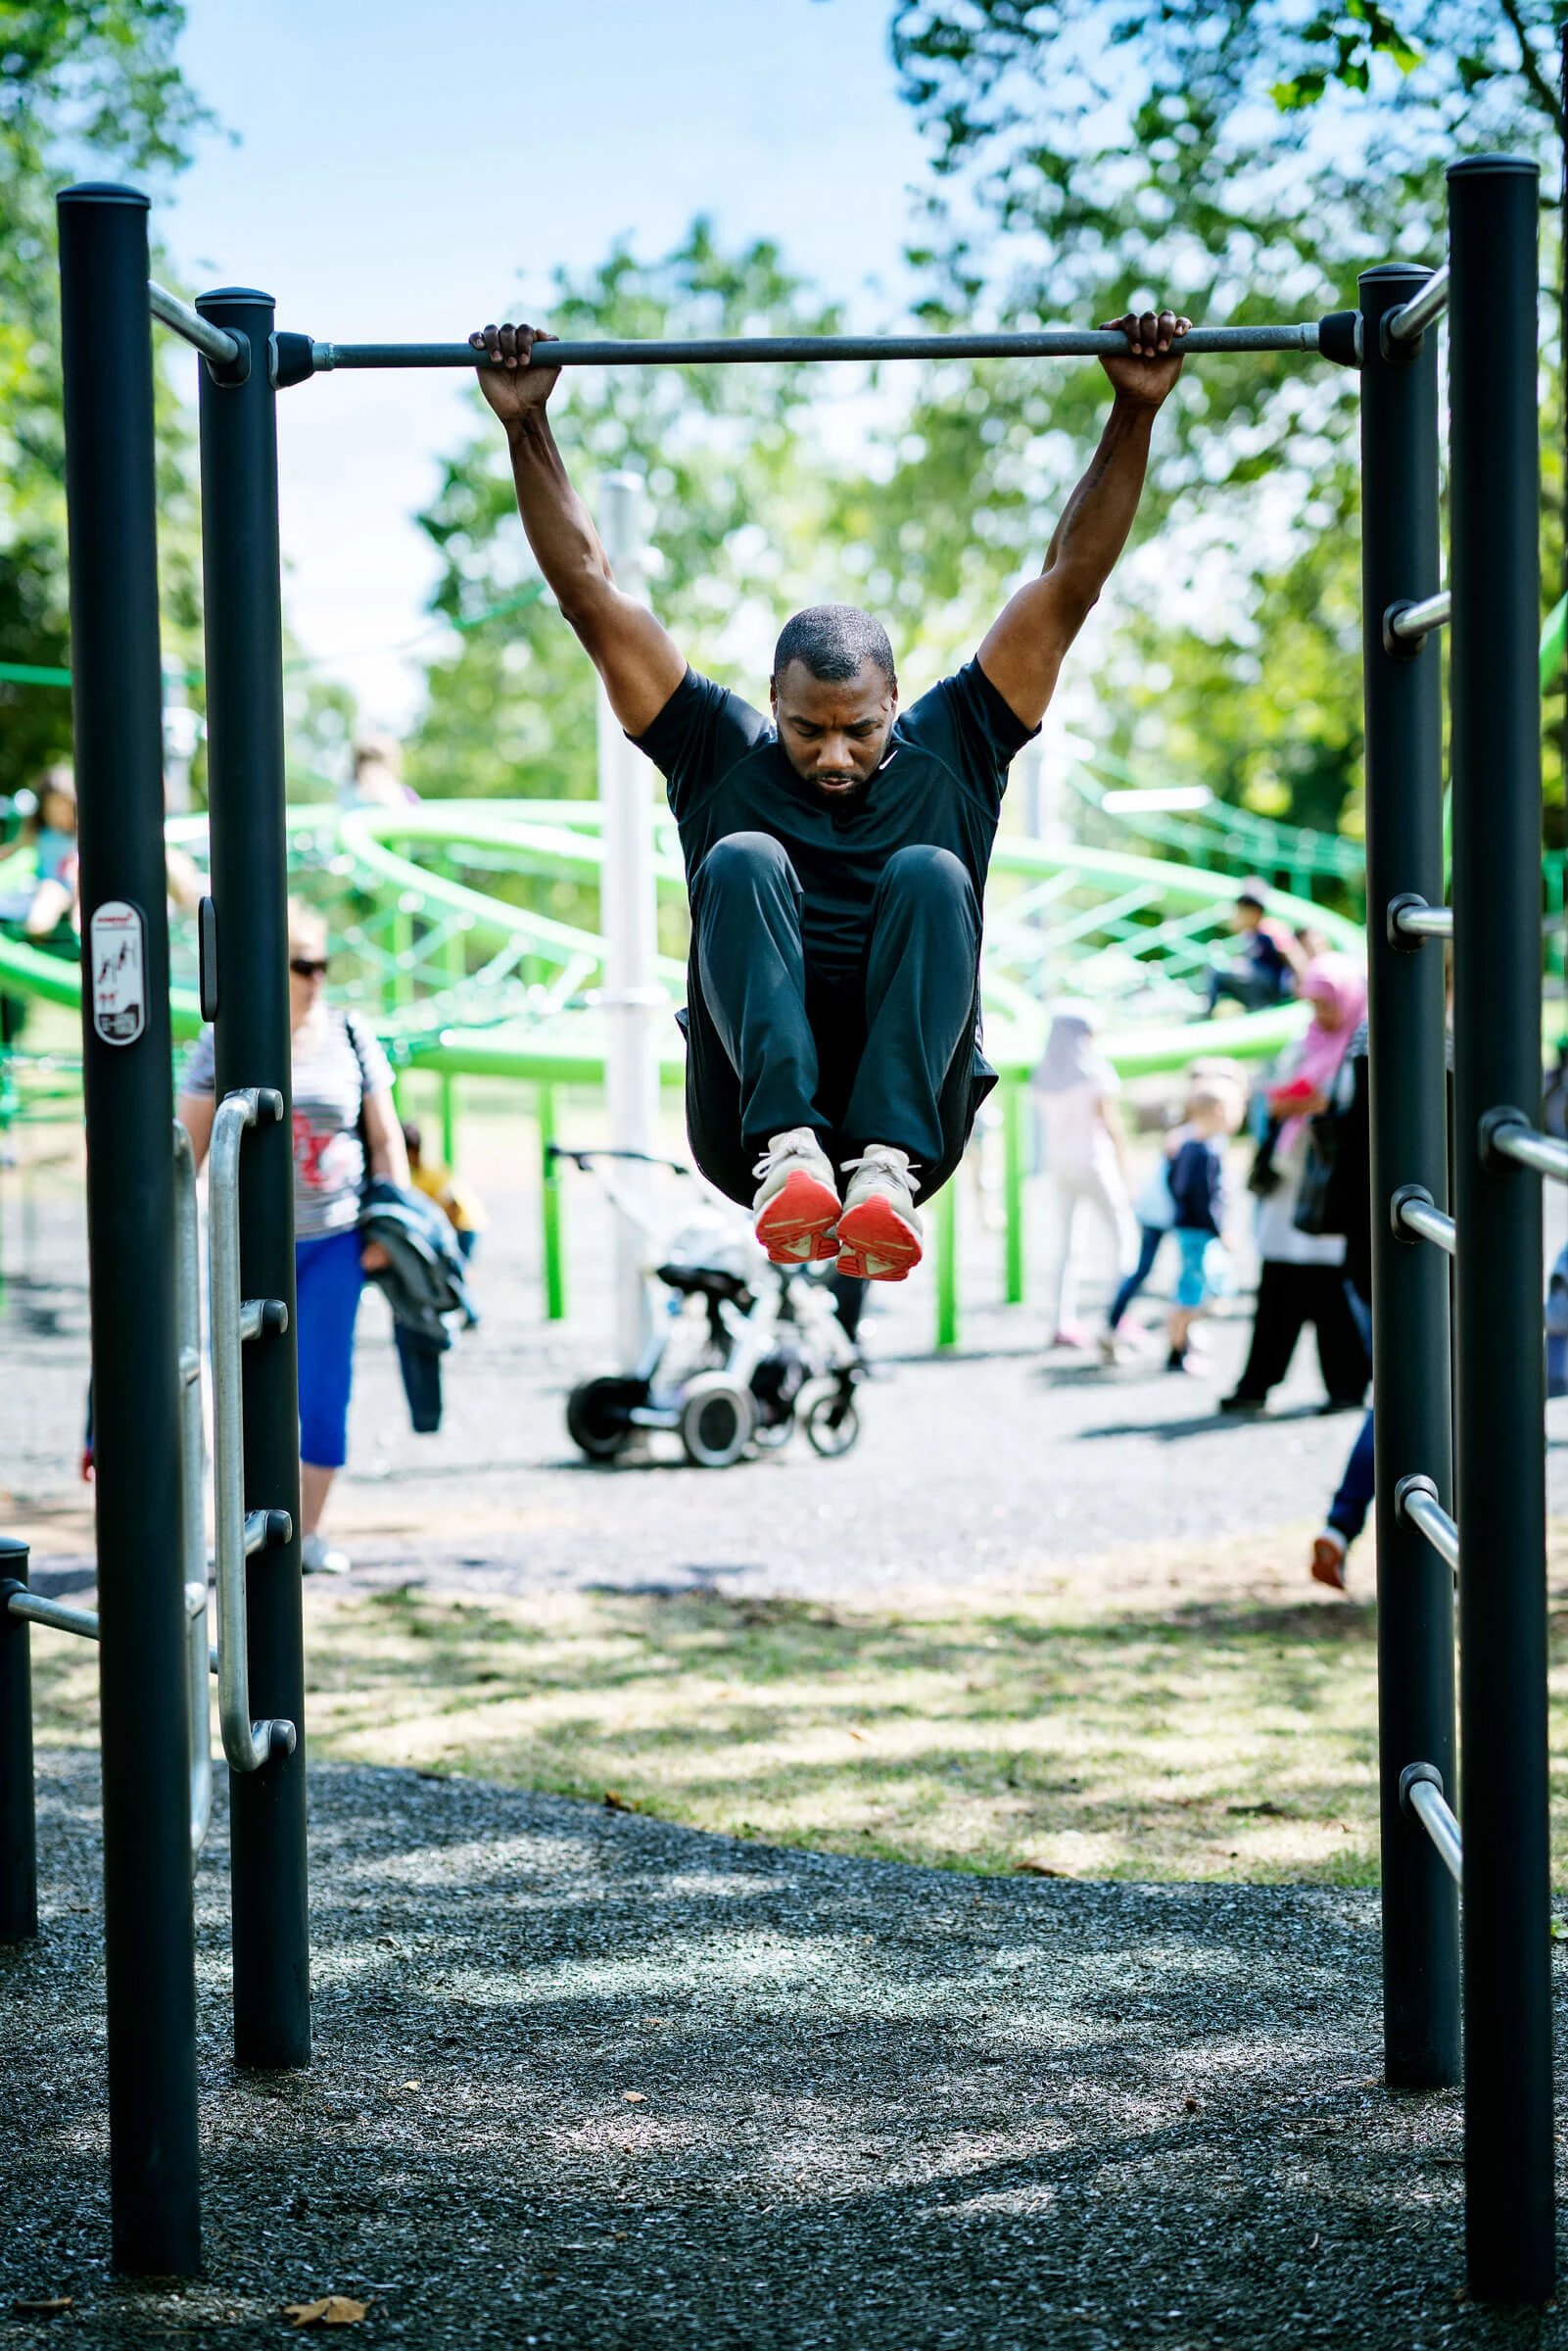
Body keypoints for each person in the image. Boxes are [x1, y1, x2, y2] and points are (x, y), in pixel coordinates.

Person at [468, 304, 1192, 1282]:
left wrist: (1133, 413)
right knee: (742, 856)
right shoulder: (718, 752)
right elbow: (590, 597)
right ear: (773, 704)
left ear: (897, 701)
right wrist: (526, 424)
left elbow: (1066, 586)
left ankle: (877, 1171)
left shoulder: (956, 744)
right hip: (748, 1124)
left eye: (861, 728)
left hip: (909, 1131)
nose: (837, 755)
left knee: (933, 874)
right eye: (808, 730)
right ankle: (793, 1152)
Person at [177, 901, 410, 1575]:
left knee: (324, 1391)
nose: (315, 979)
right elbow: (188, 1148)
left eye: (321, 965)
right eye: (301, 966)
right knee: (240, 1392)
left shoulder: (348, 1033)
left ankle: (305, 1534)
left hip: (336, 1240)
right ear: (265, 971)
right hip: (250, 1245)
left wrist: (386, 1230)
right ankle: (239, 1532)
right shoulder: (228, 1040)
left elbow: (384, 1136)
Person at [1221, 954, 1370, 1414]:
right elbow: (1272, 1091)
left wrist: (1317, 1104)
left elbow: (1357, 1108)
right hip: (1290, 1185)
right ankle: (1257, 1385)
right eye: (1315, 1003)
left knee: (1333, 1298)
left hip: (1330, 1191)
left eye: (1328, 1004)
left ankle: (1345, 1389)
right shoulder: (1303, 1040)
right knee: (1277, 1291)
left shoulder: (1361, 1045)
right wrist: (1283, 1103)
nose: (1321, 1014)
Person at [1032, 1004, 1132, 1348]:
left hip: (1059, 1163)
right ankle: (1119, 1315)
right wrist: (1126, 1168)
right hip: (1094, 1161)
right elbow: (1112, 1125)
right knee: (1125, 1239)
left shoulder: (1042, 1076)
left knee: (1069, 1245)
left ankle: (1063, 1321)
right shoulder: (1094, 1072)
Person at [1164, 1081, 1239, 1372]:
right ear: (1219, 1112)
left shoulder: (1187, 1146)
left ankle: (1182, 1344)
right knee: (1192, 1292)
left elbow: (1175, 1185)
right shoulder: (1208, 1152)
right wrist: (1220, 1231)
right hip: (1199, 1231)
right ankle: (1178, 1350)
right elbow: (1206, 1198)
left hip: (1187, 1228)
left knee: (1191, 1288)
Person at [1203, 881, 1306, 1017]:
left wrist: (1304, 989)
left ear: (1255, 912)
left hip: (1273, 987)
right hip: (1260, 985)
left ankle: (1260, 1011)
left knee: (1222, 970)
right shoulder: (1251, 935)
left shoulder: (1271, 929)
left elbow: (1295, 959)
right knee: (1222, 969)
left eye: (1241, 911)